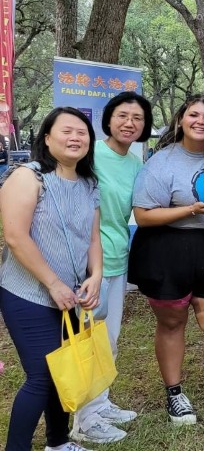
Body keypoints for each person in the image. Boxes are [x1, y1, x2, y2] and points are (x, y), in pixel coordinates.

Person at [128, 95, 204, 424]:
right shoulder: (161, 163)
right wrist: (191, 209)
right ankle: (174, 394)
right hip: (169, 247)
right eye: (194, 114)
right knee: (172, 323)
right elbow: (144, 215)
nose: (201, 121)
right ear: (181, 120)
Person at [0, 107, 103, 451]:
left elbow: (92, 239)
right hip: (28, 294)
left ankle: (58, 443)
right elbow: (15, 237)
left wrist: (96, 276)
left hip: (70, 294)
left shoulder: (89, 183)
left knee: (64, 374)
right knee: (42, 376)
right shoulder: (28, 177)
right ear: (46, 138)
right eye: (66, 131)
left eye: (82, 133)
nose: (75, 138)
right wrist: (54, 284)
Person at [72, 92, 153, 443]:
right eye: (122, 116)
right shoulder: (90, 154)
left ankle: (100, 402)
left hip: (118, 259)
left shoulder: (137, 164)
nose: (129, 123)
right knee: (86, 340)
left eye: (137, 118)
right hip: (86, 264)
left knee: (109, 340)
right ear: (108, 119)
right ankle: (83, 420)